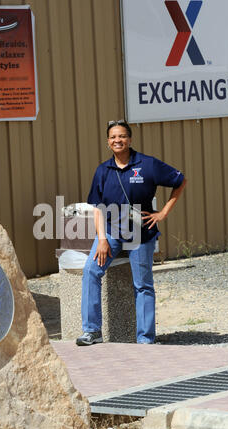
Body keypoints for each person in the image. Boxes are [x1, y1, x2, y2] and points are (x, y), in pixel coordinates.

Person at [76, 119, 187, 346]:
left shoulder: (148, 164)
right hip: (111, 231)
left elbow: (180, 180)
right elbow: (97, 207)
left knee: (143, 285)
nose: (118, 140)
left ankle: (145, 339)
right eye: (113, 137)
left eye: (122, 136)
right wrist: (102, 240)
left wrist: (163, 213)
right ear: (108, 142)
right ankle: (92, 331)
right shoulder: (103, 170)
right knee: (91, 271)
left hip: (141, 234)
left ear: (130, 139)